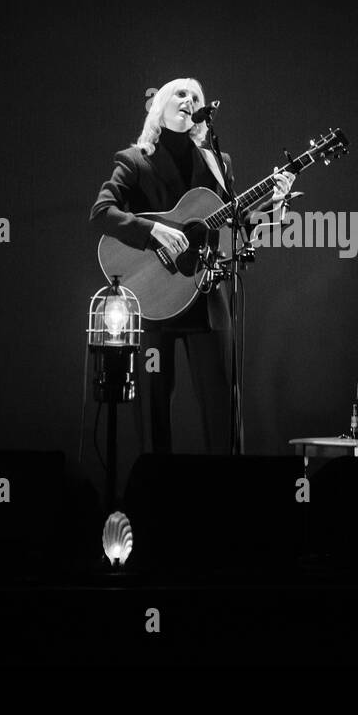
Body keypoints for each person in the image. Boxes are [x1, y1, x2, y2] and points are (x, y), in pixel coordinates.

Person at [90, 77, 294, 454]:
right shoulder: (135, 160)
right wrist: (153, 230)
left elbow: (233, 228)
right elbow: (102, 213)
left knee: (224, 418)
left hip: (207, 301)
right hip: (154, 301)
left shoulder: (218, 164)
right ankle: (153, 502)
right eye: (180, 94)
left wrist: (276, 207)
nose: (189, 100)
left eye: (195, 96)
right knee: (153, 422)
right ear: (160, 106)